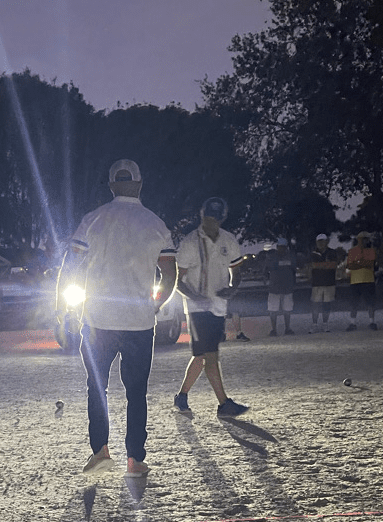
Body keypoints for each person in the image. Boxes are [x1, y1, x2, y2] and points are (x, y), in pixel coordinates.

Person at [58, 159, 176, 477]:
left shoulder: (92, 220)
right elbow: (169, 273)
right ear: (140, 183)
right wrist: (155, 304)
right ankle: (135, 459)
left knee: (97, 388)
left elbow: (70, 267)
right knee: (136, 393)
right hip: (139, 322)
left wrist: (65, 309)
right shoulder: (156, 224)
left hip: (98, 321)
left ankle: (100, 451)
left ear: (111, 185)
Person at [172, 197, 249, 418]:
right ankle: (224, 404)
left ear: (222, 218)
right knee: (211, 355)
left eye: (215, 217)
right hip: (197, 309)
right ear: (202, 215)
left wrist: (232, 289)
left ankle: (182, 396)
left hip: (218, 307)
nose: (211, 221)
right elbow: (178, 281)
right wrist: (196, 297)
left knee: (201, 356)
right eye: (208, 217)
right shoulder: (190, 243)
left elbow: (236, 271)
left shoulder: (228, 240)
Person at [345, 231, 379, 330]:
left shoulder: (371, 251)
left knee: (370, 303)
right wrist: (363, 263)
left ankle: (372, 322)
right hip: (355, 281)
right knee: (354, 303)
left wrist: (357, 263)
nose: (364, 241)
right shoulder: (352, 251)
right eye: (363, 239)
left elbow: (370, 264)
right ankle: (352, 323)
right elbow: (350, 265)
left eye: (366, 239)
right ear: (358, 239)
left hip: (368, 280)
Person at [264, 237, 297, 336]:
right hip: (274, 288)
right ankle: (274, 330)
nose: (282, 248)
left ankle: (288, 328)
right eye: (280, 246)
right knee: (273, 310)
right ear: (277, 247)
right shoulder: (271, 257)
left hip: (287, 287)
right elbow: (266, 270)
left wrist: (293, 283)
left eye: (283, 247)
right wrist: (266, 282)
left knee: (287, 309)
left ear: (286, 247)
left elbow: (294, 271)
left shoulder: (291, 257)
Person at [308, 233, 339, 332]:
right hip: (316, 283)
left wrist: (320, 265)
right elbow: (313, 265)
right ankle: (314, 324)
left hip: (329, 282)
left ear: (327, 242)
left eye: (323, 241)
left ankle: (325, 324)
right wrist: (326, 265)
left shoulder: (332, 252)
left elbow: (333, 265)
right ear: (316, 242)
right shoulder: (313, 253)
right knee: (315, 304)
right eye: (319, 241)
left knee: (327, 304)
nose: (321, 243)